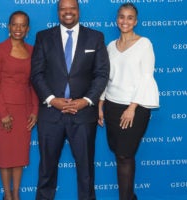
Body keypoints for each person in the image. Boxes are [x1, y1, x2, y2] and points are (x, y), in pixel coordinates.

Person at [30, 0, 110, 199]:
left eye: (72, 8)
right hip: (50, 115)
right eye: (63, 8)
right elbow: (37, 74)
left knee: (86, 172)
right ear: (58, 12)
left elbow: (101, 74)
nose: (68, 12)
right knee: (46, 171)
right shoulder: (43, 37)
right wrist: (51, 99)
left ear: (78, 11)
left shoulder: (95, 37)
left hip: (83, 115)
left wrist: (86, 101)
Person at [98, 3, 159, 200]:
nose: (125, 21)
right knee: (119, 154)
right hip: (112, 106)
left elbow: (146, 77)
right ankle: (129, 196)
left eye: (130, 17)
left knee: (125, 155)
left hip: (135, 108)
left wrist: (132, 107)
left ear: (136, 21)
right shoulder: (110, 46)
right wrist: (100, 104)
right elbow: (106, 77)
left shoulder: (144, 44)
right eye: (122, 17)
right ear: (117, 20)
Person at [0, 11, 39, 200]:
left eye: (22, 25)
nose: (18, 28)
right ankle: (7, 194)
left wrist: (35, 110)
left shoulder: (33, 51)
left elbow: (34, 83)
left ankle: (16, 193)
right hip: (3, 109)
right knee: (5, 155)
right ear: (8, 27)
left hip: (24, 110)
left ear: (28, 29)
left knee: (19, 155)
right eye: (15, 25)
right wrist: (2, 113)